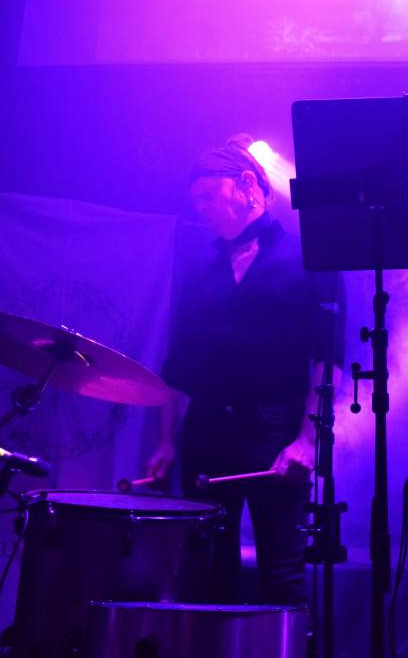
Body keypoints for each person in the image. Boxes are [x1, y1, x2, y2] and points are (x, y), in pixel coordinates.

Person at [145, 134, 344, 604]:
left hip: (276, 434)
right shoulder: (201, 267)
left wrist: (307, 440)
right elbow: (179, 363)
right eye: (195, 201)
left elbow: (328, 358)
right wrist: (166, 440)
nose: (201, 209)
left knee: (281, 575)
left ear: (248, 184)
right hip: (207, 433)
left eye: (208, 196)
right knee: (207, 574)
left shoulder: (308, 259)